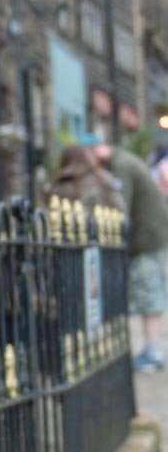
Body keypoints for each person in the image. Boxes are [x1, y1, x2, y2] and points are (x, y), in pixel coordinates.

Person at [81, 133, 168, 371]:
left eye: (87, 154)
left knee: (148, 291)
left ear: (96, 150)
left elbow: (120, 206)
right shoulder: (121, 162)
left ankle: (153, 351)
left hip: (146, 237)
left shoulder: (121, 166)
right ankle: (151, 349)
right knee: (148, 290)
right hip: (150, 235)